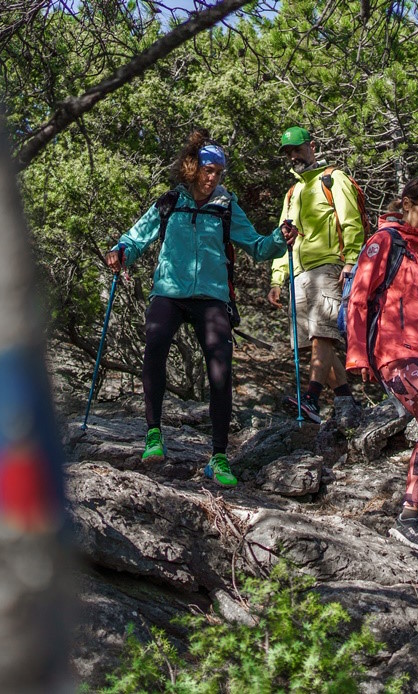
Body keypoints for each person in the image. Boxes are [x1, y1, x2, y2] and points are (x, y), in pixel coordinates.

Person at [105, 129, 297, 487]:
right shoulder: (169, 202)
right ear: (192, 168)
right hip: (169, 292)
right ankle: (153, 435)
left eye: (218, 173)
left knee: (220, 366)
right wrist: (121, 252)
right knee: (155, 346)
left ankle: (219, 457)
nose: (213, 178)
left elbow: (257, 246)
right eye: (208, 170)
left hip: (212, 296)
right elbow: (136, 238)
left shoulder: (225, 206)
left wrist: (278, 240)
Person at [344, 175, 418, 561]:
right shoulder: (384, 242)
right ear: (407, 203)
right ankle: (408, 519)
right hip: (392, 352)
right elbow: (358, 299)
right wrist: (358, 354)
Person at [268, 126, 365, 424]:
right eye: (288, 152)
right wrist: (277, 277)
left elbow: (351, 222)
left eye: (297, 149)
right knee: (311, 342)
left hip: (329, 266)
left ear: (312, 146)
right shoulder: (293, 192)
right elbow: (285, 237)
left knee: (323, 335)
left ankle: (310, 398)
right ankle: (346, 401)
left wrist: (350, 262)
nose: (293, 156)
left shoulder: (333, 179)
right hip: (299, 273)